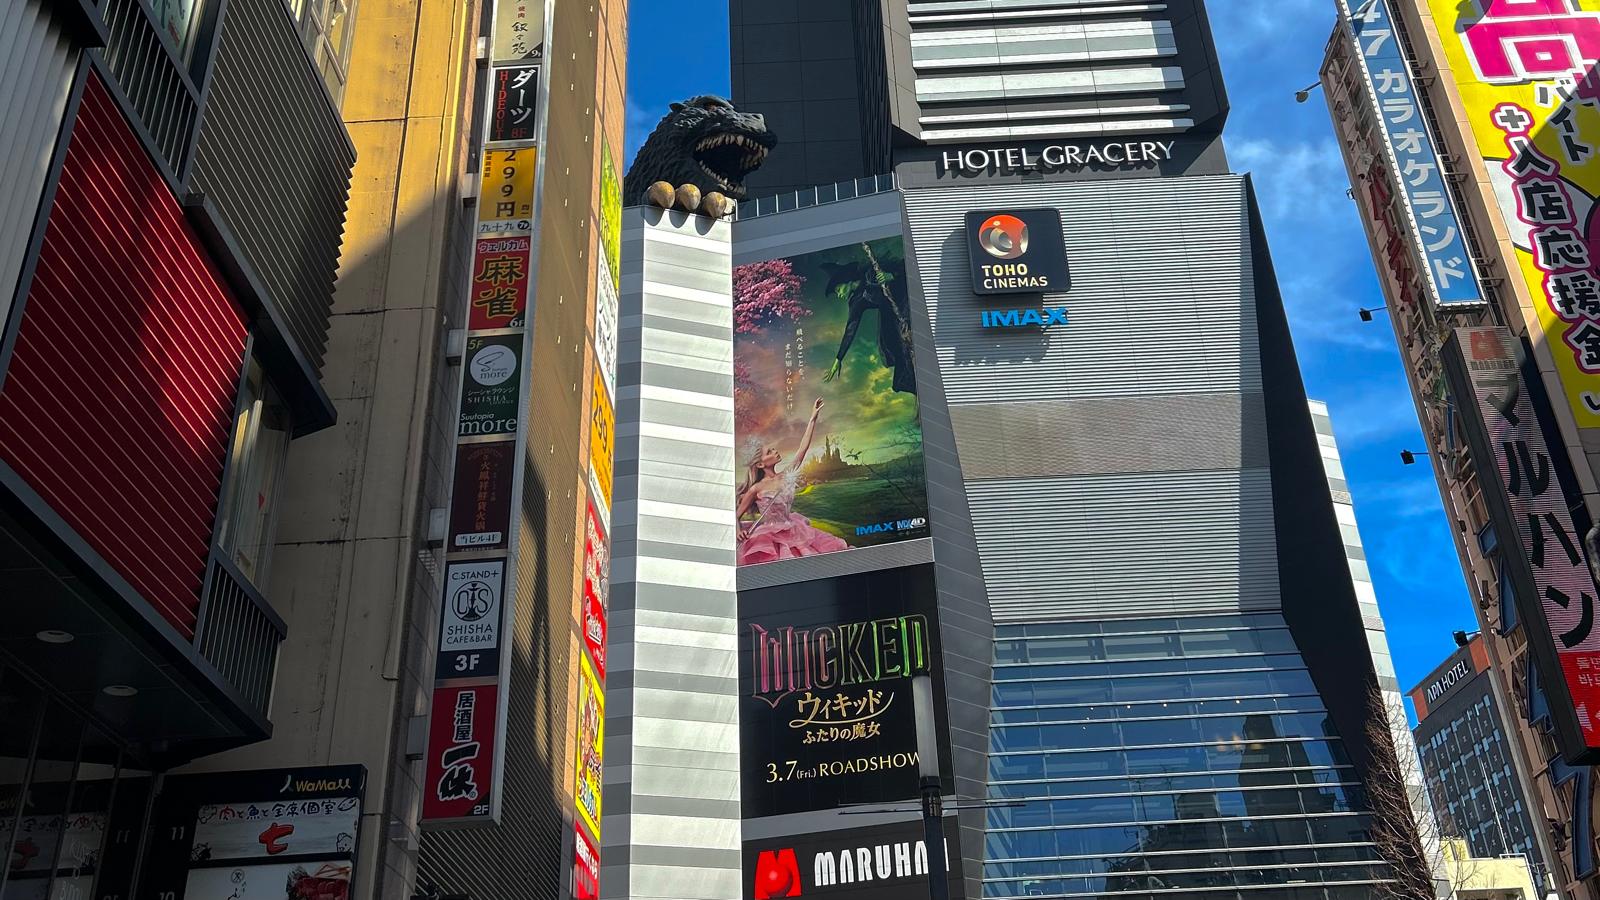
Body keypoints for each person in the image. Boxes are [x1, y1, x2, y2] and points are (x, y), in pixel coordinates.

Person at [735, 398, 848, 564]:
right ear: (760, 464)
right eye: (769, 452)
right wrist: (738, 531)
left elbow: (803, 449)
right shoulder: (756, 489)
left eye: (773, 449)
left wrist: (813, 418)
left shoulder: (786, 475)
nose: (775, 451)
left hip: (794, 531)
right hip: (770, 537)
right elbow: (736, 515)